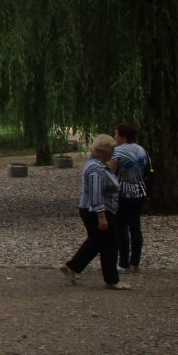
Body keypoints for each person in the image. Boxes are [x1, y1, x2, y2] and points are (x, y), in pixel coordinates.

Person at [61, 134, 130, 289]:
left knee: (97, 242)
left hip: (95, 209)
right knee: (109, 245)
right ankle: (112, 280)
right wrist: (102, 217)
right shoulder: (95, 169)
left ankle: (72, 267)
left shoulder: (94, 163)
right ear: (105, 152)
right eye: (112, 151)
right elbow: (95, 193)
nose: (113, 155)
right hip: (97, 210)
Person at [109, 122, 150, 273]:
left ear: (123, 136)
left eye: (116, 134)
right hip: (140, 192)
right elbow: (146, 170)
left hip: (123, 193)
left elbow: (111, 173)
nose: (114, 137)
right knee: (136, 227)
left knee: (121, 227)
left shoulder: (118, 152)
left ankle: (124, 263)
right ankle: (135, 262)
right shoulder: (142, 150)